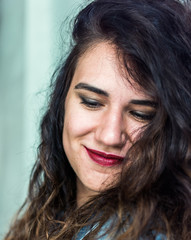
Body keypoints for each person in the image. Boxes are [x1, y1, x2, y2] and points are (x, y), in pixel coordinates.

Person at [4, 0, 191, 239]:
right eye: (92, 102)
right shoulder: (55, 214)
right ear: (62, 101)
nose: (110, 135)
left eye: (140, 114)